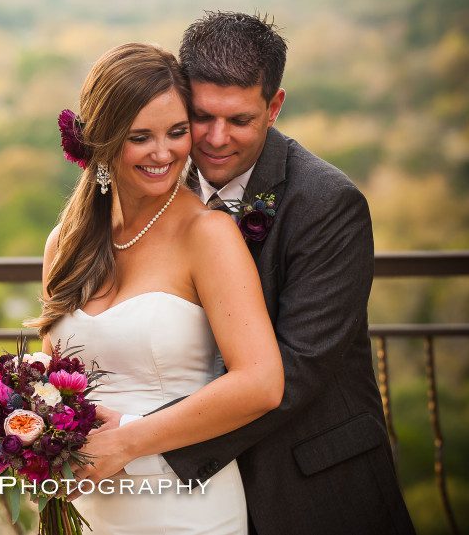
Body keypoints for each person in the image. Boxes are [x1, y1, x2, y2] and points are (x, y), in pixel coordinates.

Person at [95, 13, 416, 534]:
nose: (216, 138)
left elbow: (295, 369)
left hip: (311, 485)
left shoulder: (328, 204)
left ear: (274, 106)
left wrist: (136, 438)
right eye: (201, 117)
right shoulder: (159, 182)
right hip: (180, 499)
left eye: (240, 120)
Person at [26, 42, 284, 534]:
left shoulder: (207, 234)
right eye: (140, 137)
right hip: (88, 509)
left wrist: (125, 441)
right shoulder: (64, 243)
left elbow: (261, 383)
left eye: (177, 132)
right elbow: (56, 380)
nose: (163, 153)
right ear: (102, 139)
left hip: (185, 508)